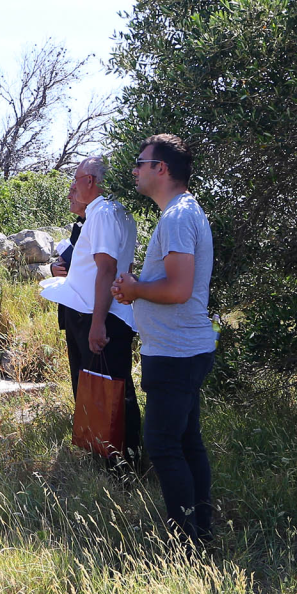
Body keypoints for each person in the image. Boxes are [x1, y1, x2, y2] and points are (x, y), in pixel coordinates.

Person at [112, 134, 216, 547]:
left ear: (162, 169)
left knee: (163, 446)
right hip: (182, 349)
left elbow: (178, 290)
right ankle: (200, 533)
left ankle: (185, 548)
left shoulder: (176, 217)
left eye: (141, 162)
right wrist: (136, 286)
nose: (134, 170)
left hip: (175, 353)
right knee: (186, 442)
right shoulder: (182, 213)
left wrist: (135, 289)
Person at [50, 158, 142, 471]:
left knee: (109, 390)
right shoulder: (118, 211)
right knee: (104, 387)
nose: (72, 187)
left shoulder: (103, 211)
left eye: (76, 180)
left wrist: (99, 323)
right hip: (97, 313)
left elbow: (107, 268)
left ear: (91, 180)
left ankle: (121, 466)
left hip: (98, 315)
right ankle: (114, 461)